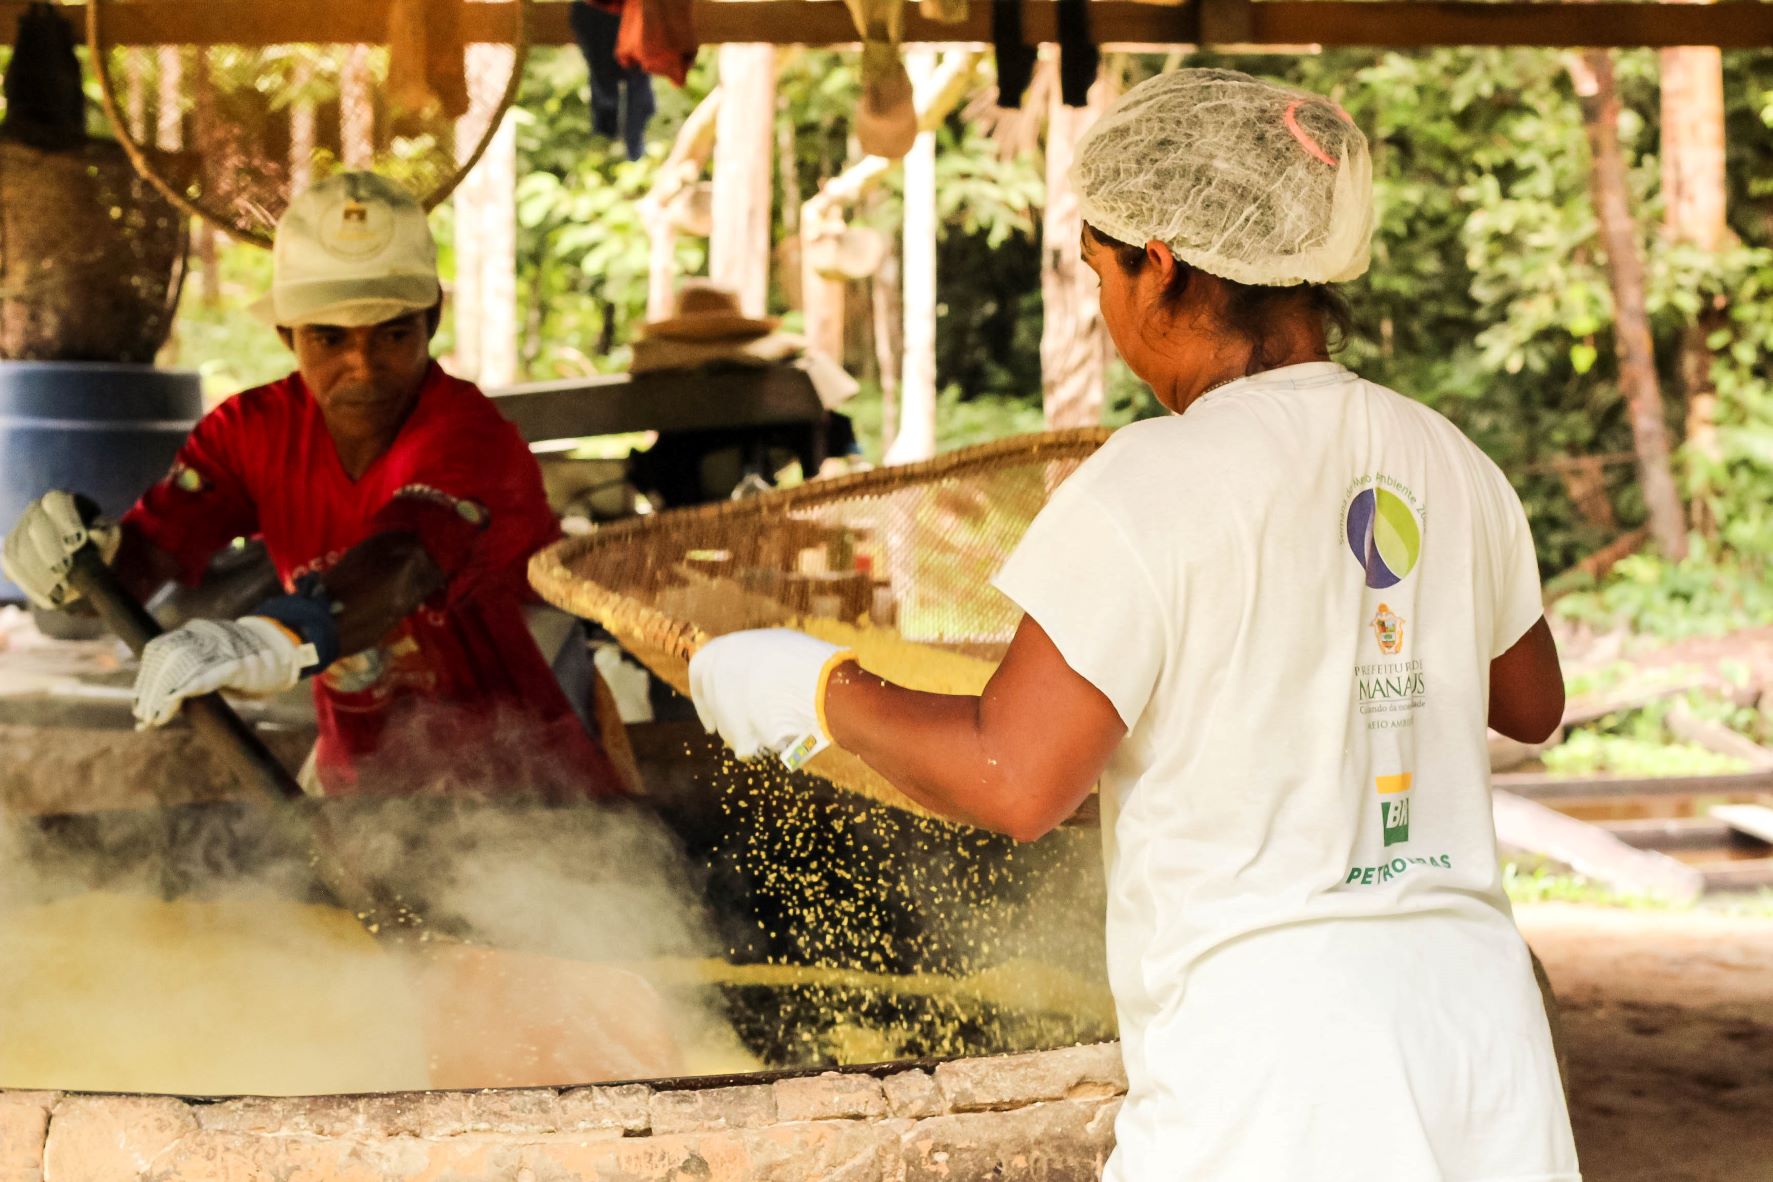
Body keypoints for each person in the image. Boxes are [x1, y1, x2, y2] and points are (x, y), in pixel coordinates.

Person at [686, 69, 1580, 1180]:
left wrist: (817, 692)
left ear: (1159, 263)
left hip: (1275, 1076)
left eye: (1099, 270)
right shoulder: (1447, 456)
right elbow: (1532, 705)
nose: (1107, 311)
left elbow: (1017, 779)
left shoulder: (1153, 480)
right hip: (1482, 1049)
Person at [2, 171, 634, 802]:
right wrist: (77, 567)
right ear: (286, 333)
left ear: (432, 318)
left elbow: (405, 559)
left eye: (392, 333)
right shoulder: (248, 434)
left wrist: (276, 636)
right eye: (329, 338)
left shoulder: (470, 434)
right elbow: (145, 559)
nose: (362, 366)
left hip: (527, 776)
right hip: (362, 777)